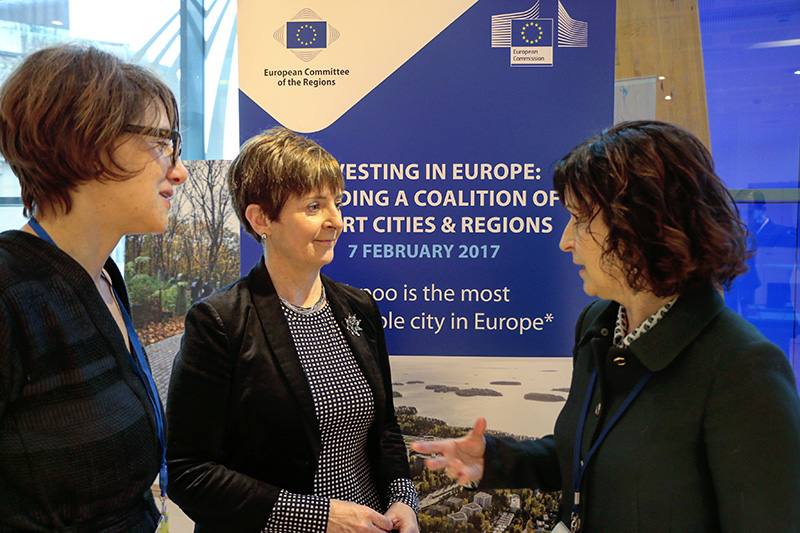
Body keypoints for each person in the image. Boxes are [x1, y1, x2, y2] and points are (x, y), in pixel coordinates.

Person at [412, 120, 800, 532]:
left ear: (642, 225)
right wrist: (493, 459)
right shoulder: (598, 323)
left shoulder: (743, 367)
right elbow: (589, 452)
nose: (565, 240)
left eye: (580, 219)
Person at [166, 127, 419, 533]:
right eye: (314, 206)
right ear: (261, 219)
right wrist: (319, 518)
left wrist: (404, 499)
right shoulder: (219, 322)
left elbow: (385, 427)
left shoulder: (359, 308)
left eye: (337, 202)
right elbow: (189, 472)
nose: (336, 221)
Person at [0, 44, 187, 531]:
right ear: (86, 144)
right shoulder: (9, 294)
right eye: (161, 142)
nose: (179, 169)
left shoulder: (103, 278)